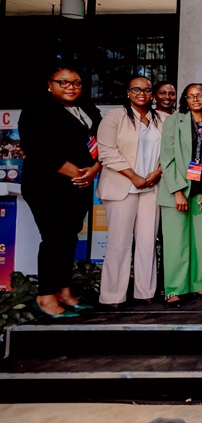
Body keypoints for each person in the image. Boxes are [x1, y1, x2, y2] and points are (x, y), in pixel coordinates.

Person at [19, 66, 102, 317]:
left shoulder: (86, 108)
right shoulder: (37, 109)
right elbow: (37, 149)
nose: (71, 87)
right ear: (49, 84)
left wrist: (94, 169)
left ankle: (64, 291)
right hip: (47, 184)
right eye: (63, 82)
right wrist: (78, 173)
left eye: (76, 83)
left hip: (80, 183)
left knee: (69, 237)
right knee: (54, 237)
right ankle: (45, 297)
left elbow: (101, 140)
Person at [96, 76, 165, 308]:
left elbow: (171, 151)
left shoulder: (163, 118)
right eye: (136, 89)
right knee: (119, 243)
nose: (142, 93)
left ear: (152, 94)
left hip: (151, 187)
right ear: (128, 92)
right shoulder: (114, 117)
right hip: (121, 186)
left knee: (147, 242)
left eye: (147, 89)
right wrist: (133, 176)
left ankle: (145, 293)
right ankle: (113, 296)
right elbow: (107, 151)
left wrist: (158, 172)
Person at [157, 83, 202, 307]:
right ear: (185, 99)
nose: (195, 99)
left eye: (200, 95)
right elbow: (167, 158)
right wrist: (177, 191)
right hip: (178, 190)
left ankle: (199, 285)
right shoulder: (174, 121)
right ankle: (174, 289)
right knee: (176, 242)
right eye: (190, 96)